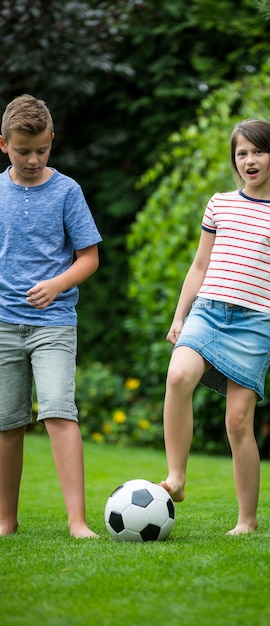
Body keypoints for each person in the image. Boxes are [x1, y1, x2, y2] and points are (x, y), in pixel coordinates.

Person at [160, 118, 270, 535]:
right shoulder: (219, 204)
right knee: (178, 375)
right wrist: (180, 316)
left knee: (237, 422)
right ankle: (176, 477)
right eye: (242, 153)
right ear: (235, 160)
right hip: (208, 312)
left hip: (252, 326)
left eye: (257, 152)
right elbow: (199, 266)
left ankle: (247, 521)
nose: (249, 160)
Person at [0, 94, 102, 538]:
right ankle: (5, 520)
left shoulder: (67, 191)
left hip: (54, 323)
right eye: (24, 151)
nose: (33, 159)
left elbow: (89, 257)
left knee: (60, 412)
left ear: (52, 141)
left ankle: (77, 522)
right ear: (3, 144)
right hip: (3, 324)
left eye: (42, 149)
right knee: (7, 424)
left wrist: (58, 284)